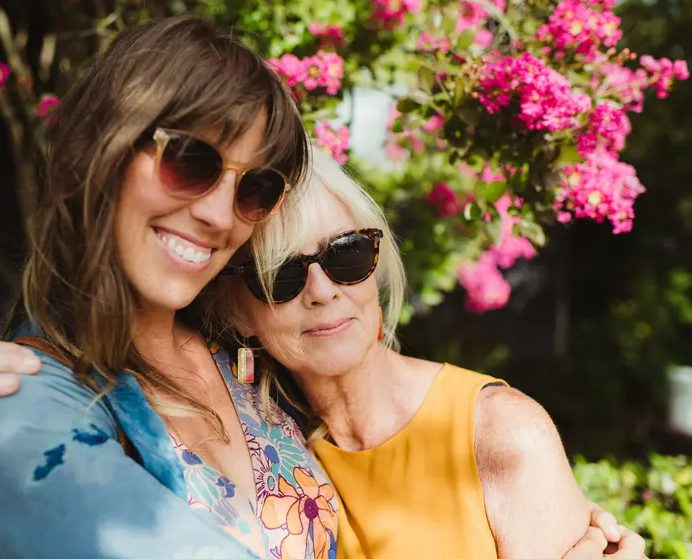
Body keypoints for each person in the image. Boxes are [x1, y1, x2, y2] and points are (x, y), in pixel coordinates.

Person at [0, 16, 645, 559]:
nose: (220, 211)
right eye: (191, 158)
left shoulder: (249, 374)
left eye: (256, 189)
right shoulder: (20, 392)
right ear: (103, 150)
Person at [206, 148, 649, 559]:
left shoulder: (501, 432)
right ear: (236, 311)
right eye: (278, 275)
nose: (322, 291)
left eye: (347, 254)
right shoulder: (267, 453)